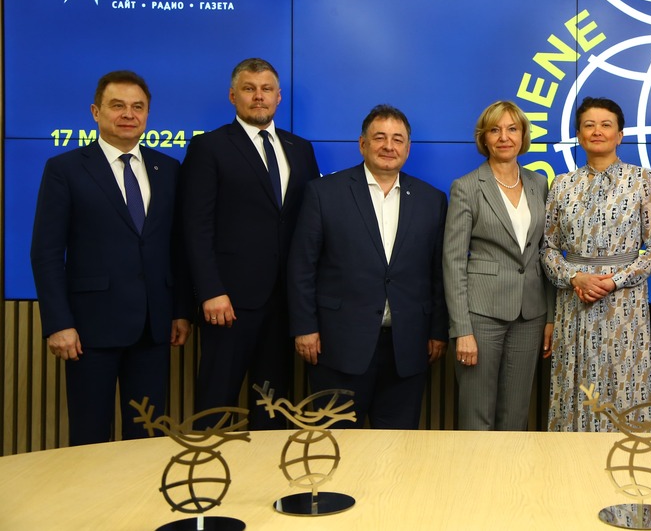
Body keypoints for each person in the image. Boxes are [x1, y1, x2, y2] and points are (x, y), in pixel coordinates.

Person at [30, 70, 189, 445]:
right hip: (89, 330)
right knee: (90, 438)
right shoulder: (65, 169)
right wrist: (58, 323)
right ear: (95, 112)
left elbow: (178, 247)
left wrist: (180, 310)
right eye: (118, 106)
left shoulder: (168, 169)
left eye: (138, 107)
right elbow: (46, 252)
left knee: (148, 437)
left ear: (147, 114)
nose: (128, 115)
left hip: (153, 328)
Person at [288, 104, 448, 429]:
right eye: (379, 137)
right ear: (362, 144)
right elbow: (302, 267)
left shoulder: (432, 200)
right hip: (337, 347)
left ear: (408, 148)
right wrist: (305, 328)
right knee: (334, 448)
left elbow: (438, 274)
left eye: (397, 139)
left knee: (397, 449)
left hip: (407, 349)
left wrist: (437, 331)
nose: (389, 146)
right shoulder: (324, 193)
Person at [180, 58, 319, 428]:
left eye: (266, 89)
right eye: (249, 89)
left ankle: (266, 469)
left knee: (273, 410)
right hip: (228, 303)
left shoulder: (300, 149)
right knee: (215, 406)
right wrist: (210, 291)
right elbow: (195, 227)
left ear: (278, 97)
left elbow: (310, 226)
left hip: (285, 304)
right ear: (233, 96)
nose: (259, 96)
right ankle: (205, 467)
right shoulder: (209, 147)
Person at [542, 96, 651, 432]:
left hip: (624, 305)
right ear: (579, 135)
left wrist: (615, 280)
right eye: (589, 125)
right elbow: (548, 249)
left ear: (620, 135)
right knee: (574, 389)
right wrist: (575, 277)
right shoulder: (562, 184)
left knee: (623, 385)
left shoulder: (642, 180)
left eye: (606, 125)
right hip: (574, 301)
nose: (597, 131)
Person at [443, 101, 555, 430]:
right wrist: (461, 329)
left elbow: (545, 252)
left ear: (523, 136)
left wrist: (550, 316)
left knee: (516, 414)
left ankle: (511, 468)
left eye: (512, 129)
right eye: (495, 130)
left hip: (530, 315)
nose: (504, 137)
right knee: (476, 414)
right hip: (481, 316)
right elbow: (453, 261)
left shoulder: (539, 184)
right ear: (484, 138)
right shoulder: (466, 187)